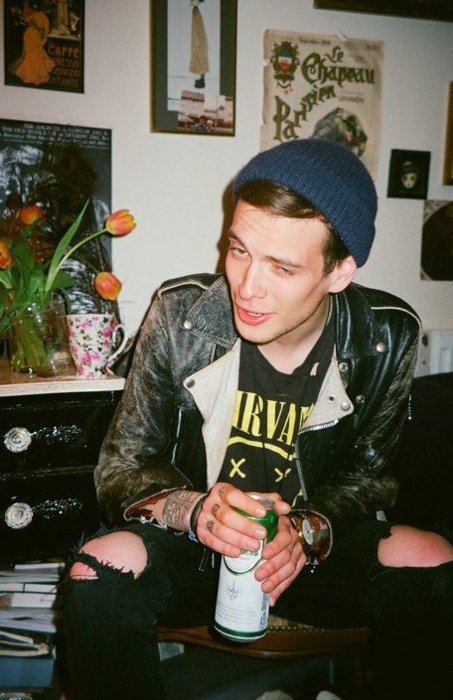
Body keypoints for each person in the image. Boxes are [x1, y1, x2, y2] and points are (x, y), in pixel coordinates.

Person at [62, 139, 453, 700]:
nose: (247, 287)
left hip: (314, 548)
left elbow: (371, 477)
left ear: (340, 271)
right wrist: (195, 510)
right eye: (239, 250)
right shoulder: (179, 314)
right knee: (96, 568)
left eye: (283, 267)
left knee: (432, 557)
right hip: (199, 547)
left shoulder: (386, 333)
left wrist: (307, 530)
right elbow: (122, 465)